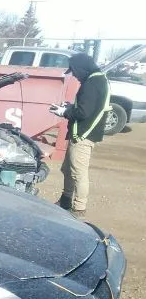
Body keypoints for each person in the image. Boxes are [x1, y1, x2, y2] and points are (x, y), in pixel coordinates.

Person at [50, 52, 112, 218]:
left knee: (78, 172)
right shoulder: (98, 80)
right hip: (83, 132)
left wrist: (64, 112)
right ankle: (65, 200)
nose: (75, 75)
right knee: (68, 169)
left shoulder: (92, 83)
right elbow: (88, 106)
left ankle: (79, 209)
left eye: (75, 71)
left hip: (83, 135)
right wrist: (69, 107)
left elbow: (84, 112)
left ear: (82, 68)